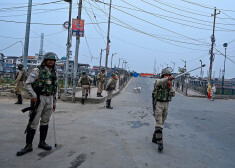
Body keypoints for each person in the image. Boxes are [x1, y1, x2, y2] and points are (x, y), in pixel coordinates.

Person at [16, 52, 58, 156]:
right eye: (49, 59)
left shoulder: (54, 72)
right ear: (45, 60)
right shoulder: (37, 70)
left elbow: (56, 88)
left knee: (45, 121)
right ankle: (28, 146)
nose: (51, 61)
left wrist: (54, 102)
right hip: (39, 98)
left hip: (50, 98)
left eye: (53, 60)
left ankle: (42, 142)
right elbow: (27, 84)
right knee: (33, 122)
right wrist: (33, 96)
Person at [152, 68, 175, 152]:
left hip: (166, 104)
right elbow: (159, 83)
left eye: (169, 75)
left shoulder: (169, 84)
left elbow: (173, 94)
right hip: (159, 103)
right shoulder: (158, 81)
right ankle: (160, 142)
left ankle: (155, 137)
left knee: (162, 122)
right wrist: (167, 80)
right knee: (159, 123)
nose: (168, 77)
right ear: (163, 75)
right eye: (166, 75)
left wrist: (170, 87)